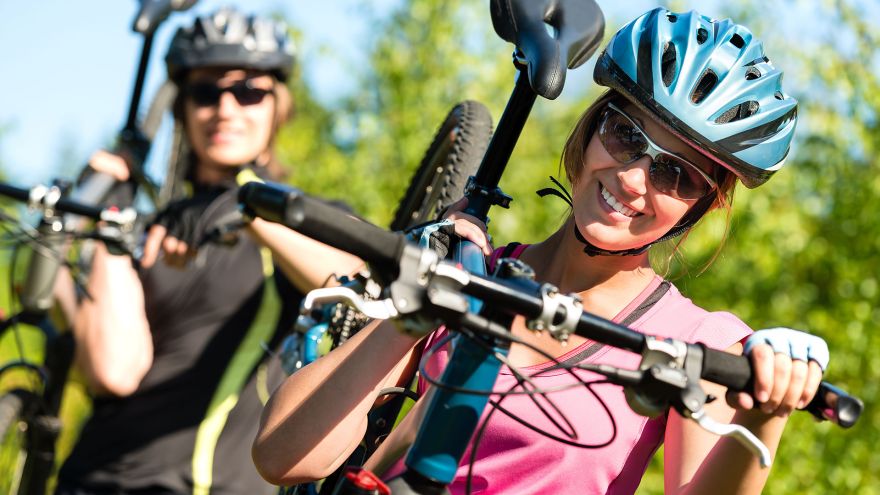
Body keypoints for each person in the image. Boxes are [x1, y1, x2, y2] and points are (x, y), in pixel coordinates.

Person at [251, 7, 829, 495]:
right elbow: (281, 457)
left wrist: (764, 412)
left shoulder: (701, 343)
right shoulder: (472, 270)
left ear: (702, 206)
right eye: (627, 135)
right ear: (592, 124)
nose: (633, 180)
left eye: (675, 175)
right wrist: (413, 311)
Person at [55, 7, 361, 495]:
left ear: (277, 106)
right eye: (205, 92)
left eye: (248, 92)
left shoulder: (307, 221)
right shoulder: (150, 230)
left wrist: (247, 204)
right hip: (90, 482)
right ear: (182, 109)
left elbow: (364, 284)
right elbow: (114, 370)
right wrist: (110, 227)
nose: (226, 110)